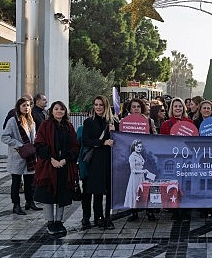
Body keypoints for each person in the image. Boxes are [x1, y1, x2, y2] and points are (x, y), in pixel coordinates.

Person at [33, 101, 79, 235]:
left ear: (65, 111)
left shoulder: (68, 126)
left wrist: (66, 159)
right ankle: (50, 222)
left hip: (64, 165)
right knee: (49, 194)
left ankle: (59, 221)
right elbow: (39, 144)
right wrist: (51, 159)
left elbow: (75, 146)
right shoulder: (45, 125)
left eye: (62, 109)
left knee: (62, 194)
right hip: (49, 165)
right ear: (52, 111)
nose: (59, 111)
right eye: (56, 109)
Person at [81, 95, 116, 230]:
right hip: (95, 161)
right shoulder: (89, 122)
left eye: (101, 105)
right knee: (97, 191)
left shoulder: (113, 121)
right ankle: (98, 217)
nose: (98, 107)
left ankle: (108, 217)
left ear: (106, 106)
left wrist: (114, 132)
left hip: (110, 160)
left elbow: (119, 141)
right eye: (96, 104)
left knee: (110, 190)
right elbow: (86, 140)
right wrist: (102, 142)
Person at [1, 97, 41, 215]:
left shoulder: (31, 121)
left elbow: (32, 137)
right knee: (16, 182)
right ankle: (16, 205)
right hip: (18, 155)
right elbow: (5, 137)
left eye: (28, 105)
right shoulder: (13, 121)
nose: (26, 107)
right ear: (18, 107)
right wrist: (19, 145)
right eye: (23, 105)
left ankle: (30, 202)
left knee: (30, 182)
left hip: (30, 156)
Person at [159, 97, 194, 221]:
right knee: (173, 184)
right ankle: (175, 210)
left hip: (186, 159)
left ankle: (186, 211)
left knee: (186, 184)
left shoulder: (190, 122)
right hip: (172, 159)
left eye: (180, 106)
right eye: (175, 106)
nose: (178, 108)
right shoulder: (165, 124)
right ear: (171, 109)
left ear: (183, 108)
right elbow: (162, 142)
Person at [123, 140, 156, 221]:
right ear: (134, 147)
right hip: (135, 178)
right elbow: (133, 170)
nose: (139, 148)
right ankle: (134, 213)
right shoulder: (132, 156)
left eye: (140, 147)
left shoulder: (140, 155)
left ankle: (149, 212)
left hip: (141, 177)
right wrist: (144, 171)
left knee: (144, 193)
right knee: (135, 194)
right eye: (137, 147)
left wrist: (145, 171)